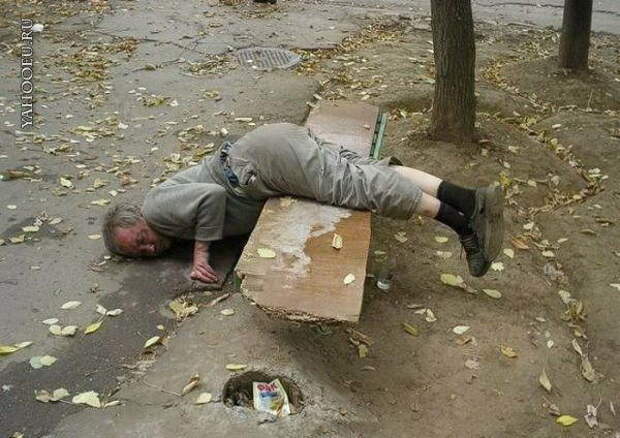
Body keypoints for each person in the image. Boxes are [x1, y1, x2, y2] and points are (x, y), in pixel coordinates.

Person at [102, 123, 503, 283]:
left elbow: (212, 196)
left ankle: (465, 226)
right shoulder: (168, 220)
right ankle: (468, 199)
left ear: (139, 219)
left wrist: (201, 254)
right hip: (265, 154)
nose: (148, 249)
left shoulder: (156, 210)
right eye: (139, 254)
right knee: (364, 172)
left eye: (140, 240)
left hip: (262, 163)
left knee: (356, 187)